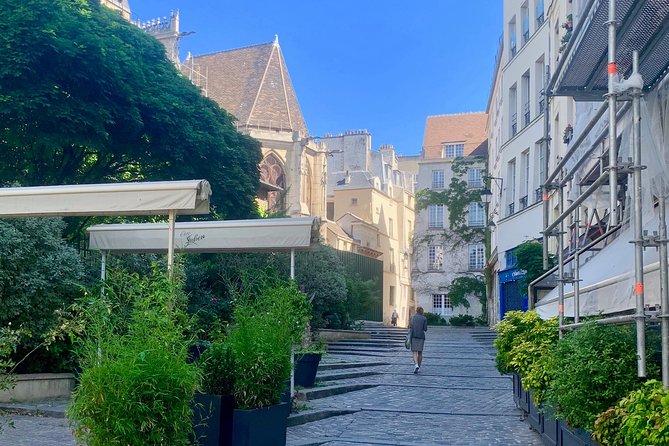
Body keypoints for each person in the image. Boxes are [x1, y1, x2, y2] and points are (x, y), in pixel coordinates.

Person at [409, 306, 428, 373]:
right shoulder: (424, 318)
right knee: (420, 353)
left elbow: (410, 326)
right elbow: (425, 329)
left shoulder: (412, 317)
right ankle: (419, 367)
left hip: (413, 336)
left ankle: (416, 365)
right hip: (421, 337)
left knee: (414, 352)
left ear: (416, 311)